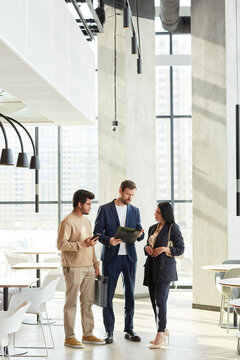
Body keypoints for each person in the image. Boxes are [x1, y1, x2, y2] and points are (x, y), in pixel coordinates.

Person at [94, 180, 144, 344]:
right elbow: (97, 233)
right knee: (108, 296)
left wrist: (140, 235)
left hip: (129, 258)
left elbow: (139, 230)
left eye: (132, 195)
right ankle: (109, 331)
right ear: (120, 191)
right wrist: (109, 241)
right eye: (128, 194)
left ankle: (129, 329)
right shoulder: (105, 209)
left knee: (130, 295)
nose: (130, 197)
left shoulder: (135, 211)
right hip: (111, 258)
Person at [57, 189, 105, 349]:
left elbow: (90, 246)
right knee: (71, 303)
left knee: (88, 302)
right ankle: (69, 337)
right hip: (73, 268)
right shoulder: (67, 221)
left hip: (89, 268)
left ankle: (88, 333)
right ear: (80, 204)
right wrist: (81, 244)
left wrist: (96, 265)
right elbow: (61, 244)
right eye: (88, 204)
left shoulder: (87, 222)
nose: (90, 207)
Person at [143, 202, 184, 349]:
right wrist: (147, 248)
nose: (155, 214)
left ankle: (160, 333)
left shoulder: (173, 228)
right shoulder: (152, 228)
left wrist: (164, 249)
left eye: (158, 212)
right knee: (155, 302)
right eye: (155, 211)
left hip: (164, 270)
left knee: (160, 301)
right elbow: (148, 246)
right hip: (151, 268)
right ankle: (163, 330)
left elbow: (180, 249)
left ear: (165, 214)